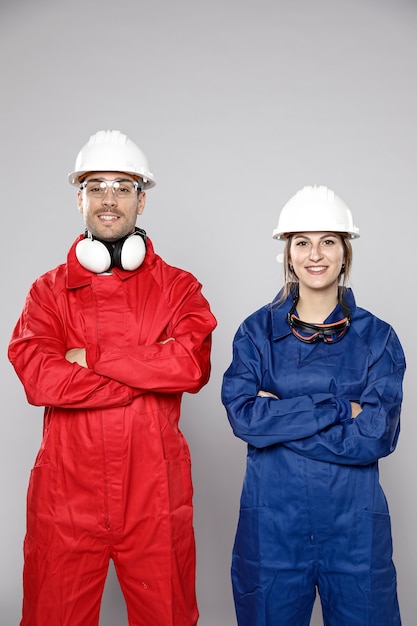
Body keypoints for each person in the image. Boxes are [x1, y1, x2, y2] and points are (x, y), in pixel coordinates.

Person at [8, 129, 217, 626]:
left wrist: (90, 357)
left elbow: (189, 366)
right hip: (66, 496)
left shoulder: (179, 288)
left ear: (141, 200)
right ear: (79, 198)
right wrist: (148, 368)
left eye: (122, 187)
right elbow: (40, 377)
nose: (109, 198)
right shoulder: (47, 293)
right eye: (96, 186)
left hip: (153, 495)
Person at [221, 185, 405, 626]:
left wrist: (281, 417)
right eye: (302, 242)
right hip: (272, 528)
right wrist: (341, 408)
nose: (314, 254)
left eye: (328, 241)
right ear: (287, 253)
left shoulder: (378, 339)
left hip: (355, 529)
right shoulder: (256, 333)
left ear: (346, 253)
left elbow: (377, 435)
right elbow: (244, 416)